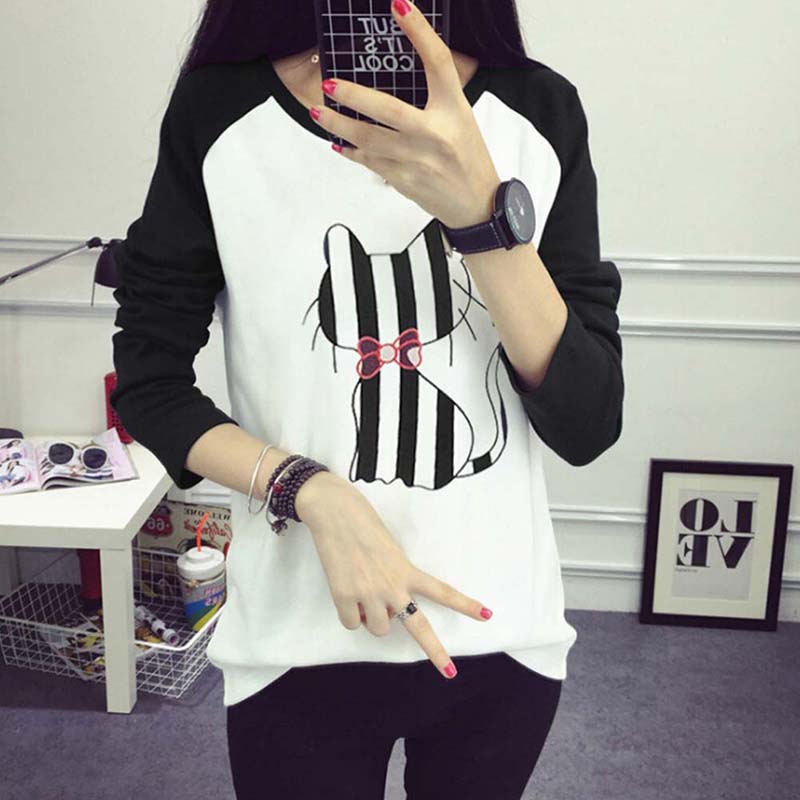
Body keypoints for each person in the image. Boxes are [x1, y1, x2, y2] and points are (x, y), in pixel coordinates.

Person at [109, 1, 624, 797]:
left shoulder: (538, 111)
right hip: (297, 640)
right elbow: (150, 383)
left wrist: (479, 215)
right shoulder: (221, 114)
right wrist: (308, 489)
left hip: (500, 638)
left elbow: (588, 422)